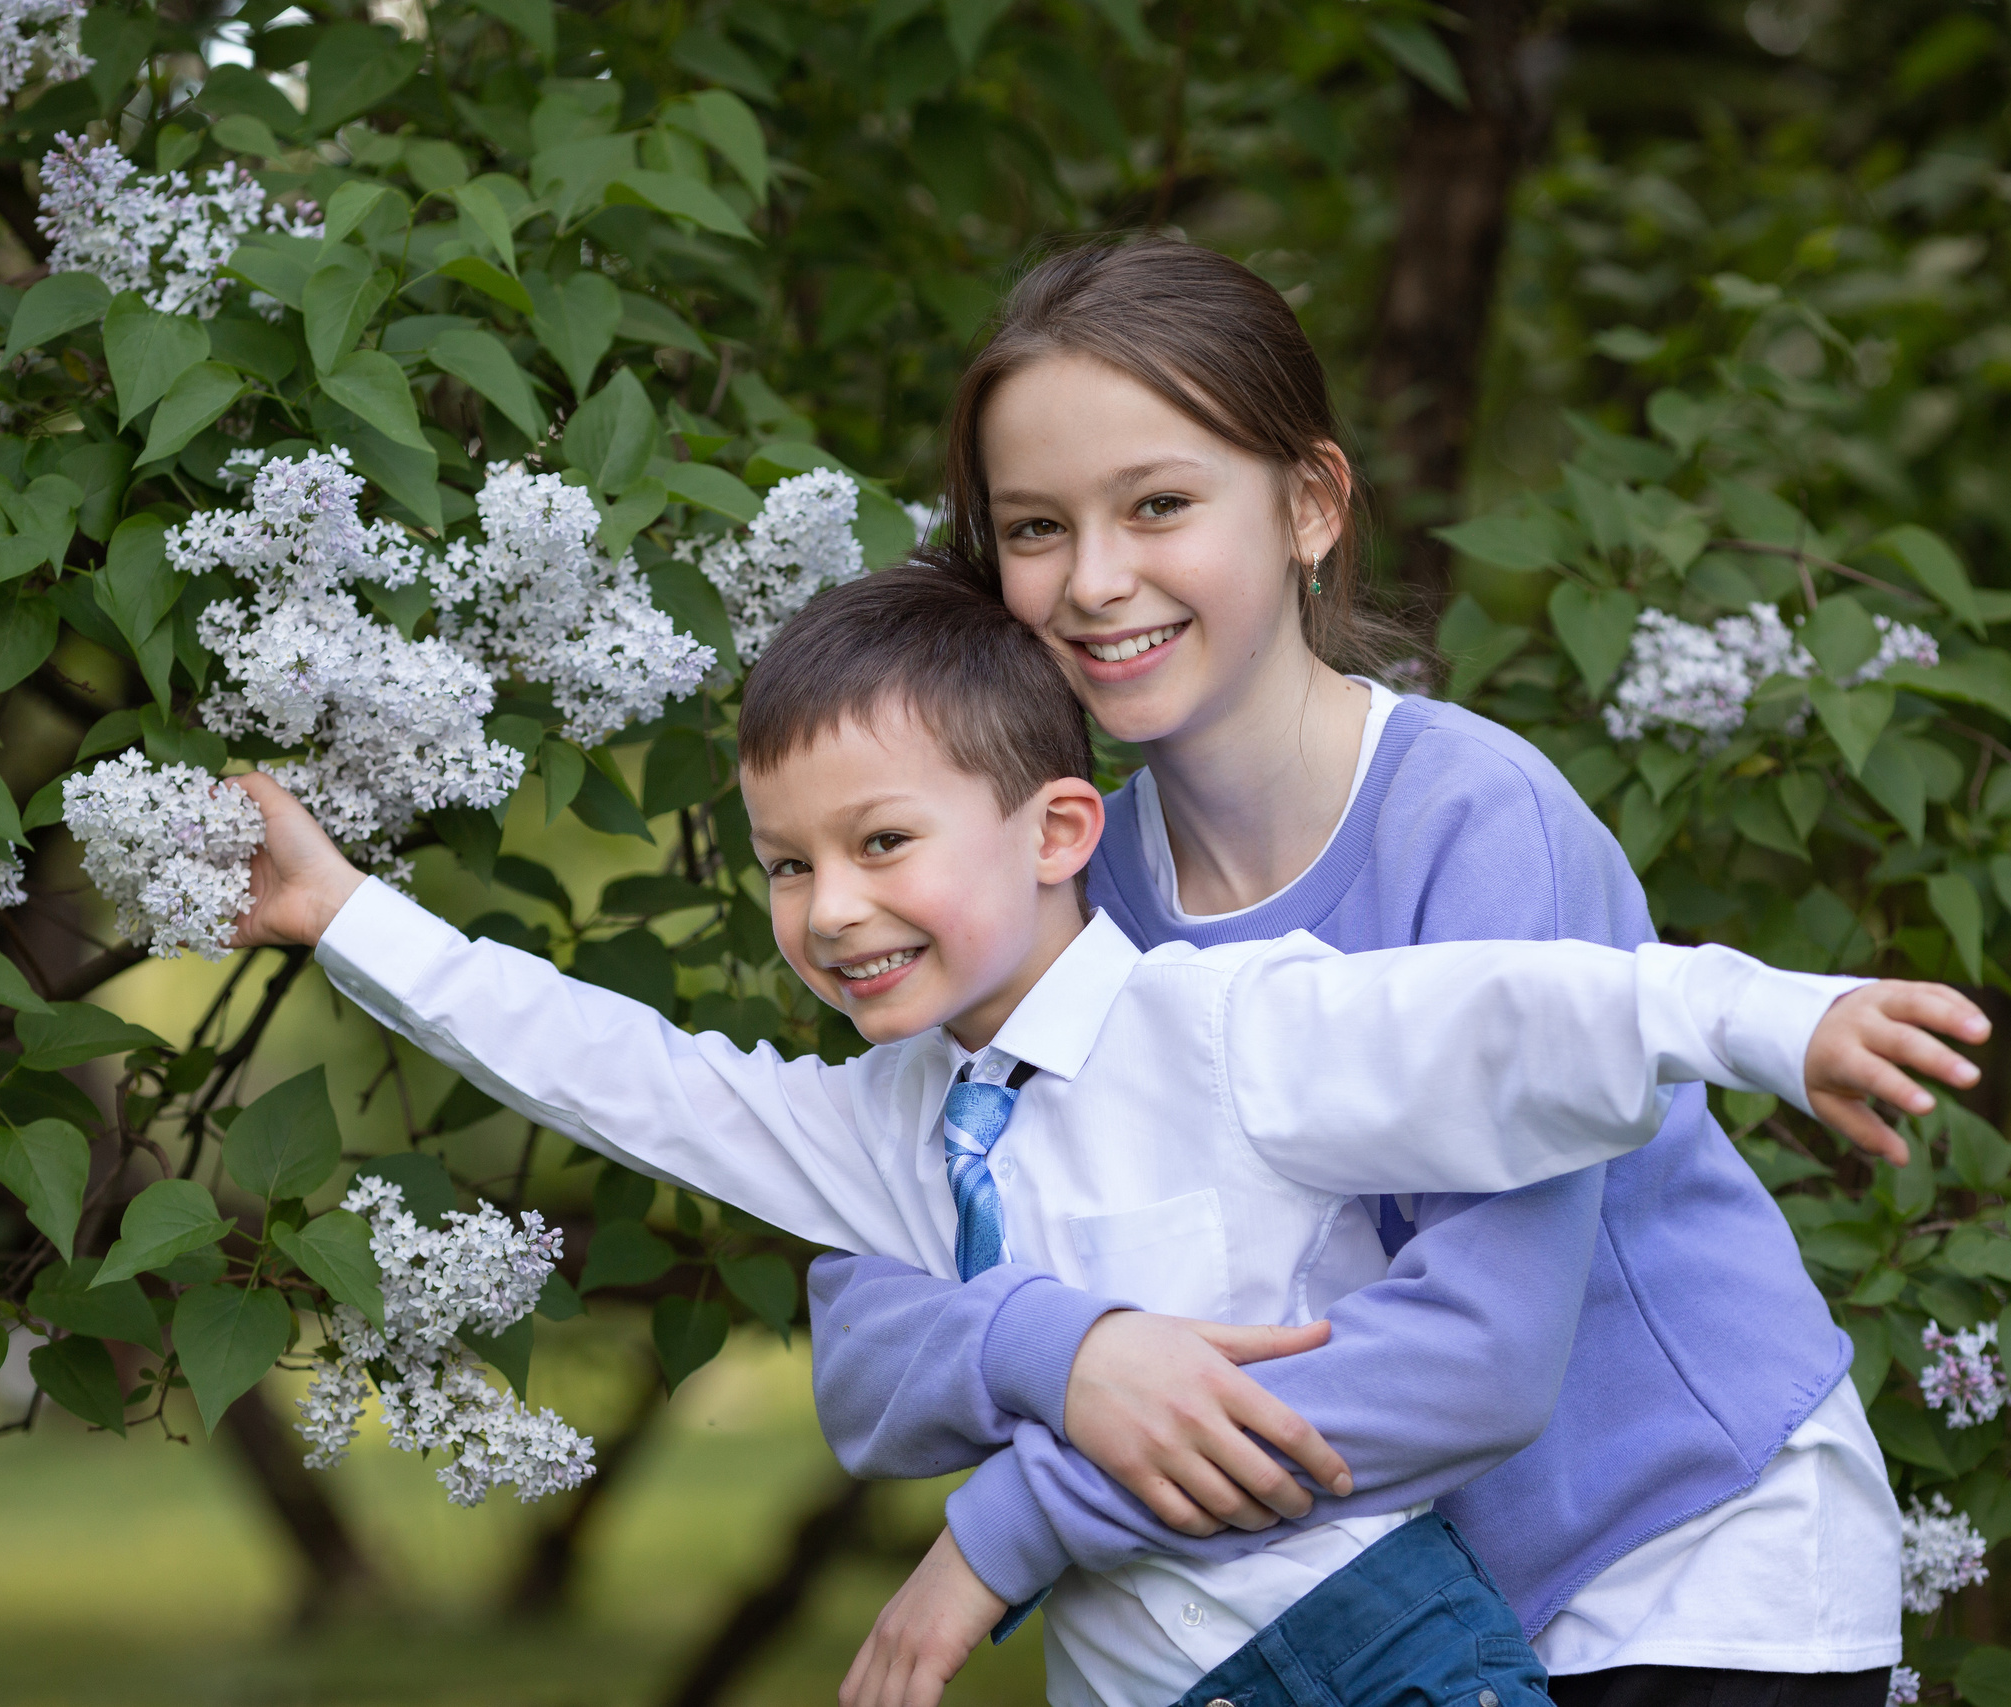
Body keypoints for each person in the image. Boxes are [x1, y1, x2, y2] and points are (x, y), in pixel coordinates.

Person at [229, 564, 1987, 1707]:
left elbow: (1530, 1016)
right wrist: (350, 919)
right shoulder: (886, 1128)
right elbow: (614, 1068)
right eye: (787, 863)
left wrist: (1782, 1018)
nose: (831, 909)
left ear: (1062, 826)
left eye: (884, 844)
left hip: (1378, 1654)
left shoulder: (1235, 1027)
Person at [812, 240, 1918, 1707]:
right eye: (1033, 527)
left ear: (1311, 506)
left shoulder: (1478, 825)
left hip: (1691, 1562)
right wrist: (1063, 1351)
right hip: (1405, 1618)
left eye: (1159, 504)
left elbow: (1482, 1354)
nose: (1095, 580)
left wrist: (1018, 1523)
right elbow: (871, 1304)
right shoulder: (1063, 885)